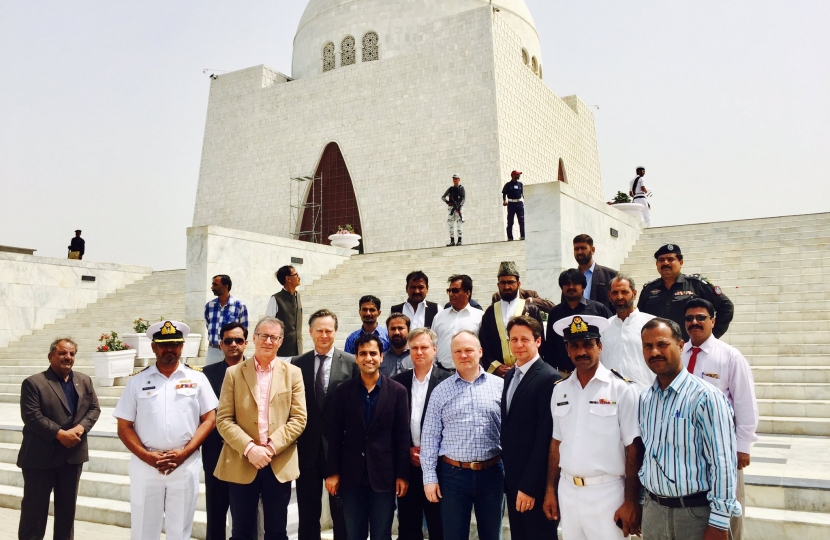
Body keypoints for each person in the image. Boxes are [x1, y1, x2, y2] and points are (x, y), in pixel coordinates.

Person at [113, 320, 218, 540]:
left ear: (182, 347)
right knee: (143, 530)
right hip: (146, 464)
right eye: (163, 344)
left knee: (179, 531)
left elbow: (209, 419)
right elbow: (124, 426)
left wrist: (185, 453)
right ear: (153, 347)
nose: (169, 349)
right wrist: (147, 456)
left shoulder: (197, 378)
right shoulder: (137, 382)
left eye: (174, 344)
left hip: (184, 463)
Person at [542, 315, 644, 539]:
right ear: (567, 350)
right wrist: (550, 489)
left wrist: (631, 500)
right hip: (568, 491)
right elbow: (556, 442)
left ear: (600, 346)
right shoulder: (560, 390)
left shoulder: (622, 390)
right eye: (574, 346)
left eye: (588, 345)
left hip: (607, 493)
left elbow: (634, 448)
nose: (581, 352)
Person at [639, 318, 741, 540]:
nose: (654, 351)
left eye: (662, 344)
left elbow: (723, 463)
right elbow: (648, 455)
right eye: (648, 346)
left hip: (695, 515)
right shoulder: (646, 399)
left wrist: (720, 522)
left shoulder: (706, 397)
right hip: (654, 512)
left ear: (681, 345)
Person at [214, 317, 307, 540]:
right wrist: (250, 448)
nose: (268, 341)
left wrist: (271, 447)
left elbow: (299, 418)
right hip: (242, 460)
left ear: (281, 342)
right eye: (263, 335)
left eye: (274, 337)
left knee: (277, 531)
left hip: (277, 462)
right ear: (254, 338)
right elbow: (224, 419)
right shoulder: (234, 373)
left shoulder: (293, 373)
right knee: (242, 531)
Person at [683, 299, 758, 540]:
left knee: (728, 511)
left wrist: (743, 446)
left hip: (723, 449)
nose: (694, 322)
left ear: (713, 321)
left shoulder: (730, 357)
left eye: (701, 317)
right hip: (688, 447)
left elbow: (745, 403)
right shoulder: (678, 353)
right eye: (689, 318)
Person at [420, 331, 504, 540]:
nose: (463, 355)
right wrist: (429, 477)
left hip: (492, 473)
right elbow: (430, 436)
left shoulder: (500, 387)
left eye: (468, 350)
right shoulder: (440, 391)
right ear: (451, 355)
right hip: (453, 476)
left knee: (492, 535)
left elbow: (510, 433)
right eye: (458, 351)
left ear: (480, 352)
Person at [326, 334, 410, 540]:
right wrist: (333, 472)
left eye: (373, 353)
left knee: (382, 534)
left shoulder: (397, 391)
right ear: (356, 358)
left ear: (382, 357)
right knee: (354, 534)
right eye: (363, 353)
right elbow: (334, 434)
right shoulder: (343, 391)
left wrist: (402, 474)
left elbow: (402, 436)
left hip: (384, 476)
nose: (368, 358)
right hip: (351, 477)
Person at [17, 337, 100, 540]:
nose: (68, 357)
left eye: (71, 353)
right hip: (40, 458)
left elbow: (94, 409)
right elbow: (32, 416)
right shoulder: (34, 383)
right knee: (34, 514)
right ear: (51, 356)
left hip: (72, 458)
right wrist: (60, 434)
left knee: (66, 513)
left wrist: (80, 428)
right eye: (63, 353)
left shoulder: (84, 380)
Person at [291, 309, 358, 540]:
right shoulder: (297, 364)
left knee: (341, 515)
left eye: (328, 330)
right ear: (310, 332)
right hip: (307, 451)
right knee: (308, 515)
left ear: (336, 332)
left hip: (338, 452)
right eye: (319, 330)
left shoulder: (350, 363)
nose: (324, 335)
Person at [501, 317, 561, 540]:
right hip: (514, 478)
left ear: (538, 341)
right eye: (513, 339)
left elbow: (545, 438)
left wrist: (530, 486)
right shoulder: (509, 375)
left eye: (524, 339)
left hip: (533, 484)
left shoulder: (549, 378)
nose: (518, 344)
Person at [392, 328, 451, 540]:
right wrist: (407, 450)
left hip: (438, 467)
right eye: (414, 347)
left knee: (439, 525)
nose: (419, 352)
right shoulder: (398, 382)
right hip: (408, 465)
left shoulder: (448, 381)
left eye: (424, 347)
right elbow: (394, 425)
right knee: (408, 527)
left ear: (434, 350)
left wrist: (430, 452)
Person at [201, 322, 248, 540]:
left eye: (238, 340)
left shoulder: (258, 372)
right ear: (220, 344)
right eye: (228, 340)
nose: (233, 345)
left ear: (246, 344)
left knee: (245, 519)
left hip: (247, 454)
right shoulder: (207, 375)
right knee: (216, 515)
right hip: (216, 454)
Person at [638, 244, 734, 341]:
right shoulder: (648, 290)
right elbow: (640, 319)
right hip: (658, 349)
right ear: (657, 264)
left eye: (670, 259)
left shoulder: (697, 285)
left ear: (681, 262)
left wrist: (710, 337)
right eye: (661, 260)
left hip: (690, 349)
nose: (665, 263)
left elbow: (726, 307)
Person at [542, 269, 613, 377]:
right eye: (567, 284)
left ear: (583, 287)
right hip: (563, 374)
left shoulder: (598, 309)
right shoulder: (555, 313)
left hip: (593, 373)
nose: (571, 287)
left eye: (575, 283)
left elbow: (611, 337)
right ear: (562, 288)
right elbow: (550, 347)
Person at [479, 261, 545, 376]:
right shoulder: (490, 312)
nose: (507, 286)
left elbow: (540, 342)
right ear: (498, 285)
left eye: (510, 282)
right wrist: (496, 366)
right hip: (499, 375)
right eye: (503, 283)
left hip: (528, 372)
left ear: (519, 284)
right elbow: (484, 343)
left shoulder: (531, 310)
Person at [600, 273, 656, 390]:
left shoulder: (652, 324)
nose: (620, 297)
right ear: (609, 296)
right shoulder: (604, 327)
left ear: (634, 294)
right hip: (610, 396)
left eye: (624, 292)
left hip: (644, 395)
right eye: (615, 293)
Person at [431, 275, 484, 370]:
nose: (451, 294)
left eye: (455, 291)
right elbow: (432, 344)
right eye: (449, 291)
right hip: (442, 373)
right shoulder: (439, 316)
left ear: (467, 293)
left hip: (470, 372)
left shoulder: (480, 316)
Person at [205, 275, 249, 365]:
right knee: (210, 377)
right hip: (214, 351)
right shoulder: (209, 306)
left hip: (232, 350)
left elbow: (244, 330)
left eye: (215, 284)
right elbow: (208, 325)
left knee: (234, 377)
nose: (212, 287)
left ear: (225, 286)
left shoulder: (239, 306)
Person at [572, 234, 617, 313]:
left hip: (602, 322)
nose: (579, 252)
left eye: (583, 248)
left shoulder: (610, 275)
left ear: (592, 250)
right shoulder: (570, 278)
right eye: (576, 249)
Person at [266, 265, 303, 357]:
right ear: (288, 279)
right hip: (281, 352)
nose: (299, 277)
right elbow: (268, 324)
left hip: (297, 351)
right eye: (296, 274)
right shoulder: (275, 299)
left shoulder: (298, 296)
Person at [381, 313, 412, 377]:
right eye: (393, 329)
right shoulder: (381, 359)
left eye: (400, 328)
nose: (396, 332)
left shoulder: (417, 357)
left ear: (409, 330)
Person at [441, 175, 466, 246]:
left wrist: (460, 205)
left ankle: (459, 240)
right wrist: (448, 202)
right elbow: (443, 197)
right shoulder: (451, 189)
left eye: (456, 179)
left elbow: (464, 198)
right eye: (453, 179)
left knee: (459, 224)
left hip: (458, 208)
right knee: (450, 224)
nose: (454, 180)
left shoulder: (461, 188)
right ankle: (452, 241)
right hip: (451, 208)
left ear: (459, 179)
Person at [502, 170, 525, 241]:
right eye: (517, 175)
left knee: (521, 220)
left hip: (519, 203)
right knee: (510, 221)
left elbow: (523, 194)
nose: (519, 176)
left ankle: (523, 236)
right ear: (513, 176)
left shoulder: (520, 184)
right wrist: (504, 200)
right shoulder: (508, 185)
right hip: (511, 203)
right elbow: (504, 193)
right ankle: (510, 237)